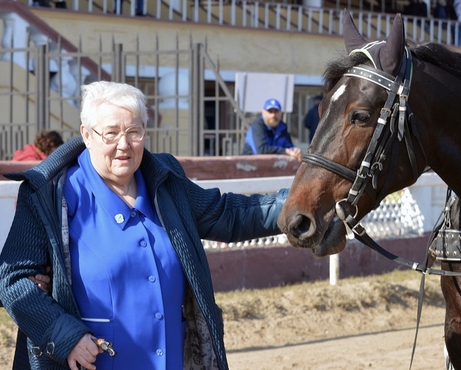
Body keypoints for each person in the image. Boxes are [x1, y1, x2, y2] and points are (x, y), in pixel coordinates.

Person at [0, 81, 289, 370]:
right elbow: (12, 280)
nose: (124, 145)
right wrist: (65, 336)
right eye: (111, 133)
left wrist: (304, 202)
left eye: (134, 132)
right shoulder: (48, 195)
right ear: (87, 136)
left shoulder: (164, 182)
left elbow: (227, 214)